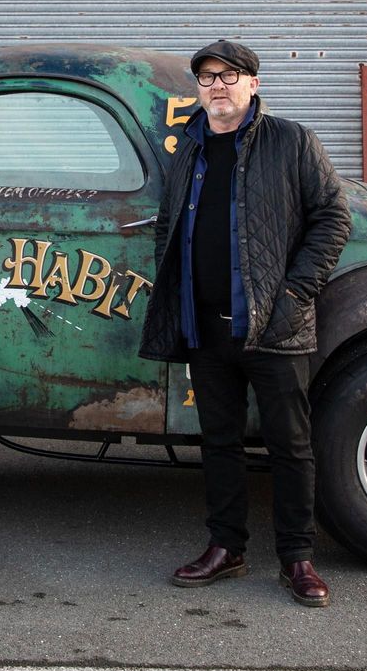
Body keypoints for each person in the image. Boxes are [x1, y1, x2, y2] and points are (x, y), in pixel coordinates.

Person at [141, 39, 353, 608]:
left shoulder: (291, 141)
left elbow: (333, 216)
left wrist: (293, 293)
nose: (217, 86)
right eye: (207, 77)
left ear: (253, 84)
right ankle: (226, 546)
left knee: (291, 444)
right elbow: (169, 224)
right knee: (219, 442)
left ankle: (297, 559)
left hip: (273, 324)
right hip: (206, 326)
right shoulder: (189, 146)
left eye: (229, 76)